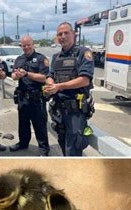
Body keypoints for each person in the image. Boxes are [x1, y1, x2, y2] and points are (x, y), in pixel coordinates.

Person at [44, 22, 94, 156]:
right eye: (60, 34)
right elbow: (50, 75)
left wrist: (59, 86)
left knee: (73, 150)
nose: (63, 36)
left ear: (74, 34)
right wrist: (50, 84)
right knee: (63, 145)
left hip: (75, 111)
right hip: (58, 109)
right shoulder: (56, 57)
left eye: (66, 33)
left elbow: (85, 79)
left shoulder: (83, 53)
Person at [10, 35, 50, 156]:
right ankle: (23, 143)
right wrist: (16, 76)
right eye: (24, 45)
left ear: (33, 45)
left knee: (40, 125)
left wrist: (27, 73)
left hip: (37, 98)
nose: (26, 47)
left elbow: (44, 77)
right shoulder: (19, 59)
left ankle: (43, 149)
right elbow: (13, 75)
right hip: (22, 97)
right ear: (21, 46)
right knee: (23, 123)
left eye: (28, 44)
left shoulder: (41, 59)